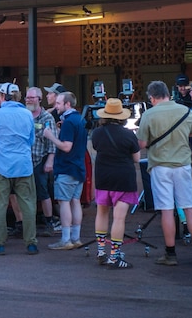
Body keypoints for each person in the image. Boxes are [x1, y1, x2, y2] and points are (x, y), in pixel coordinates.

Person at [136, 81, 192, 266]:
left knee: (167, 210)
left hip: (160, 166)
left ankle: (170, 254)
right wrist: (185, 134)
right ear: (168, 94)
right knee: (189, 207)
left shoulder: (148, 114)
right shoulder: (184, 111)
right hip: (182, 165)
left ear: (152, 97)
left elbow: (142, 144)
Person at [0, 83, 39, 255]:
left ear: (3, 97)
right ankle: (31, 243)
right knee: (28, 205)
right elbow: (31, 141)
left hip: (2, 166)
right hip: (23, 165)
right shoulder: (27, 114)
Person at [90, 98, 140, 268]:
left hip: (103, 177)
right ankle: (114, 256)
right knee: (119, 218)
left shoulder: (97, 133)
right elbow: (136, 158)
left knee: (101, 213)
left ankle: (101, 250)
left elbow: (96, 148)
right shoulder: (128, 134)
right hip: (123, 178)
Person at [43, 91, 87, 251]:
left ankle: (66, 239)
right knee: (75, 202)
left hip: (67, 167)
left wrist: (50, 136)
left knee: (64, 202)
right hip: (78, 167)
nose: (56, 106)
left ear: (67, 104)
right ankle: (76, 238)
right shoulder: (79, 120)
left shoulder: (69, 122)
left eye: (59, 104)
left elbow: (66, 147)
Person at [26, 86, 57, 236]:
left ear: (39, 99)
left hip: (40, 161)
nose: (29, 100)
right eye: (27, 97)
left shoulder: (47, 118)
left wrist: (50, 161)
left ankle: (49, 223)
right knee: (26, 194)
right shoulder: (24, 116)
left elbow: (52, 144)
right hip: (24, 162)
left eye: (32, 97)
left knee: (43, 193)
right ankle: (26, 224)